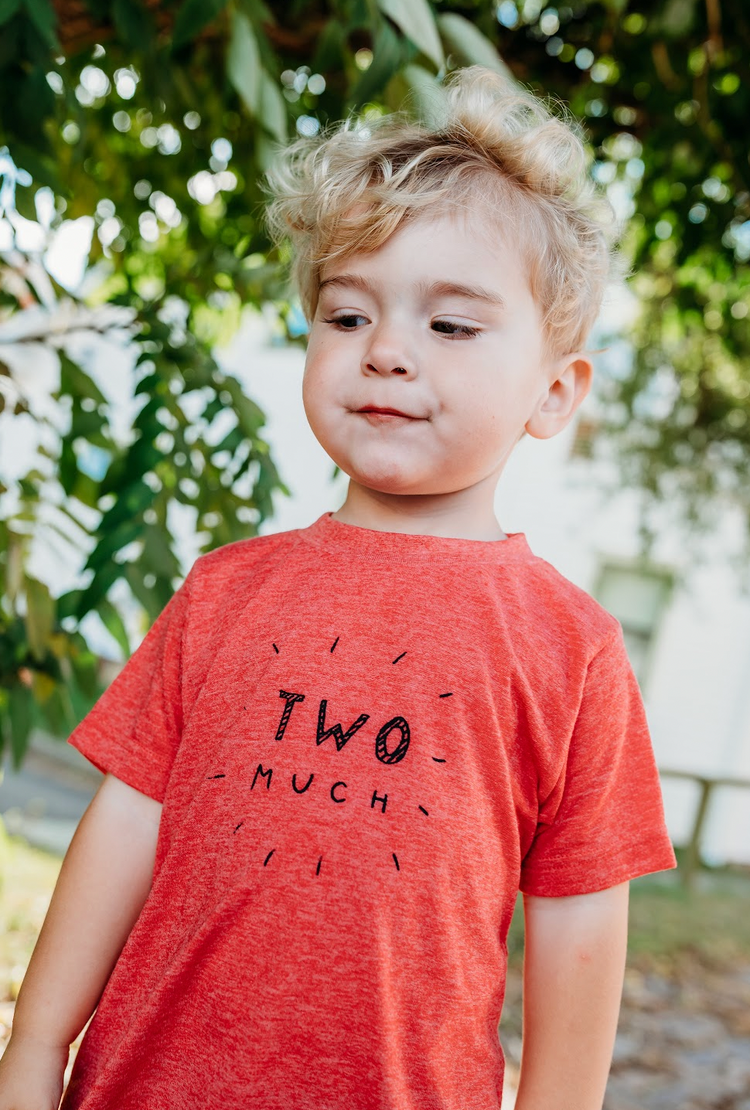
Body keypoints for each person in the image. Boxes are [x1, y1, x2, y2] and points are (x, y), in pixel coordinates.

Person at [0, 64, 676, 1110]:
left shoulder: (571, 648)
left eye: (451, 326)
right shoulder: (224, 593)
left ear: (555, 389)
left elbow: (582, 923)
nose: (389, 353)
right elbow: (126, 826)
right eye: (347, 315)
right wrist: (36, 1049)